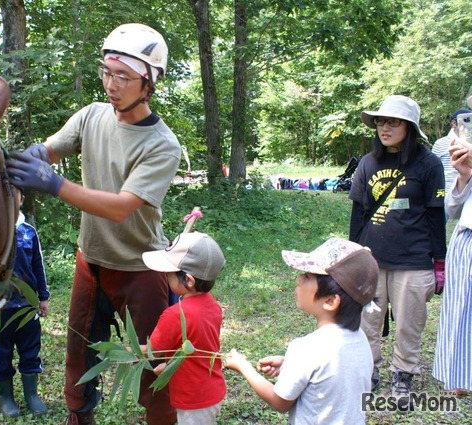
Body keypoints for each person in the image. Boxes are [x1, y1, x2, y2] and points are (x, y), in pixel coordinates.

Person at [6, 23, 181, 425]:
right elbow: (51, 149)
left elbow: (121, 207)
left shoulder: (162, 145)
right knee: (79, 355)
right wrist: (35, 156)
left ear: (149, 82)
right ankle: (78, 418)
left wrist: (53, 184)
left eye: (123, 76)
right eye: (106, 71)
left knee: (151, 364)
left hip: (141, 267)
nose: (111, 84)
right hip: (92, 261)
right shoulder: (92, 116)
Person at [348, 95, 447, 399]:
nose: (384, 127)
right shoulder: (368, 162)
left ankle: (403, 374)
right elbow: (358, 214)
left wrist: (439, 262)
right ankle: (370, 368)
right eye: (380, 121)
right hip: (371, 258)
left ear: (410, 127)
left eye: (393, 122)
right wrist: (351, 254)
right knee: (368, 319)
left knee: (409, 322)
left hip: (414, 258)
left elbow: (435, 214)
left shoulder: (428, 163)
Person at [225, 237, 378, 424]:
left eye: (307, 276)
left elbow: (280, 402)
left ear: (330, 301)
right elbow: (333, 376)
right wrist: (289, 364)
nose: (298, 280)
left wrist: (243, 366)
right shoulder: (360, 338)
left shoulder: (306, 348)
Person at [141, 232, 227, 425]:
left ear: (188, 280)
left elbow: (152, 350)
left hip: (193, 399)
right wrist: (171, 366)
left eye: (169, 273)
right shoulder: (213, 306)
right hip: (211, 388)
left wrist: (123, 351)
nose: (165, 276)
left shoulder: (174, 315)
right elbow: (195, 346)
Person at [0, 189, 50, 417]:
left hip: (27, 307)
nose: (10, 199)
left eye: (16, 194)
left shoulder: (29, 232)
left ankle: (32, 395)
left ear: (22, 199)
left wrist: (43, 298)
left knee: (30, 350)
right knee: (2, 352)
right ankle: (5, 396)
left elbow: (38, 266)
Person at [433, 137, 472, 394]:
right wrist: (466, 175)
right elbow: (453, 208)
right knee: (459, 311)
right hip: (467, 237)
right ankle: (459, 374)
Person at [431, 108, 471, 199]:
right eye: (465, 120)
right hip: (447, 193)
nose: (468, 123)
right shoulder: (440, 143)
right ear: (454, 123)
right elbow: (433, 171)